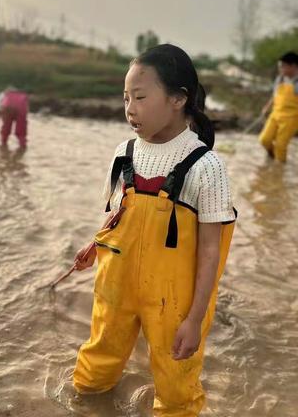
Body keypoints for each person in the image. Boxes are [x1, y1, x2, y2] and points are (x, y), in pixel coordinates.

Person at [72, 44, 236, 416]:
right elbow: (117, 213)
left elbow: (211, 252)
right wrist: (93, 245)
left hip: (172, 301)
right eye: (126, 97)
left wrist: (194, 319)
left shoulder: (205, 166)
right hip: (117, 282)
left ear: (179, 99)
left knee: (176, 385)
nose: (130, 108)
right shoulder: (123, 153)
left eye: (141, 97)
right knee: (95, 364)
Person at [259, 51, 298, 162]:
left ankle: (279, 171)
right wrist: (267, 106)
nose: (280, 69)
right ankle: (272, 157)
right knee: (264, 140)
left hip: (291, 118)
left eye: (283, 67)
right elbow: (275, 96)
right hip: (275, 114)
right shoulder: (280, 79)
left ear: (293, 66)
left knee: (281, 146)